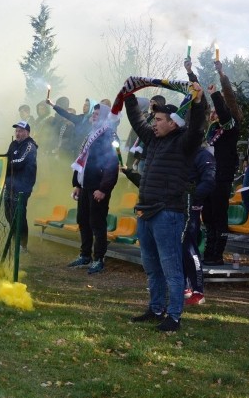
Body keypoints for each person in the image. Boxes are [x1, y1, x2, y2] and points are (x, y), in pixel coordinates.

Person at [124, 82, 206, 332]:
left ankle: (173, 316)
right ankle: (156, 308)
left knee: (171, 267)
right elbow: (137, 121)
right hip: (146, 211)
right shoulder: (154, 139)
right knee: (152, 266)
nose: (154, 123)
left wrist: (200, 101)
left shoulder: (185, 142)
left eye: (159, 119)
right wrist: (128, 95)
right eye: (155, 118)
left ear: (173, 123)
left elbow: (198, 126)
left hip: (168, 212)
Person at [66, 103, 120, 274]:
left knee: (97, 223)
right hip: (85, 185)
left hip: (97, 188)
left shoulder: (109, 135)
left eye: (97, 114)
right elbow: (81, 160)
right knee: (83, 220)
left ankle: (98, 258)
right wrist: (76, 184)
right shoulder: (90, 134)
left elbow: (112, 165)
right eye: (93, 114)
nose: (93, 116)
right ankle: (85, 255)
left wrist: (103, 189)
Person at [198, 62, 242, 266]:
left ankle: (218, 253)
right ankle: (209, 249)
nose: (214, 113)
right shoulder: (211, 131)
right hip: (207, 176)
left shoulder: (231, 127)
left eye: (218, 110)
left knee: (218, 214)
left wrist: (216, 93)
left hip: (221, 176)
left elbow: (226, 116)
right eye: (213, 111)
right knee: (207, 214)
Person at [182, 144, 216, 305]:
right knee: (177, 248)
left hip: (191, 209)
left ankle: (198, 291)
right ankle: (183, 286)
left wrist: (193, 198)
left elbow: (209, 181)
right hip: (175, 207)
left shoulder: (203, 155)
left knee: (190, 249)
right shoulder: (179, 150)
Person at [4, 120, 38, 252]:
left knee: (20, 215)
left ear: (27, 133)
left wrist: (5, 163)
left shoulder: (30, 145)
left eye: (21, 131)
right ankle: (15, 239)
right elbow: (6, 158)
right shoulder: (13, 144)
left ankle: (23, 245)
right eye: (16, 131)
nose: (18, 133)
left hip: (23, 187)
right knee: (8, 213)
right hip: (10, 184)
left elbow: (20, 161)